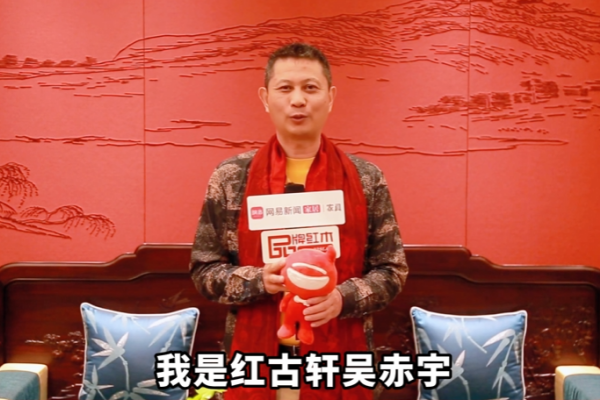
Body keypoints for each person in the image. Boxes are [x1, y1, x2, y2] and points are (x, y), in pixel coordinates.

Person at [190, 42, 408, 400]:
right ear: (265, 98)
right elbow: (204, 270)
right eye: (285, 88)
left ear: (330, 97)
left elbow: (391, 270)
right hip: (257, 361)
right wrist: (259, 280)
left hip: (339, 360)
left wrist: (341, 298)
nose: (298, 100)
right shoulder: (231, 177)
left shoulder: (366, 178)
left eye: (310, 88)